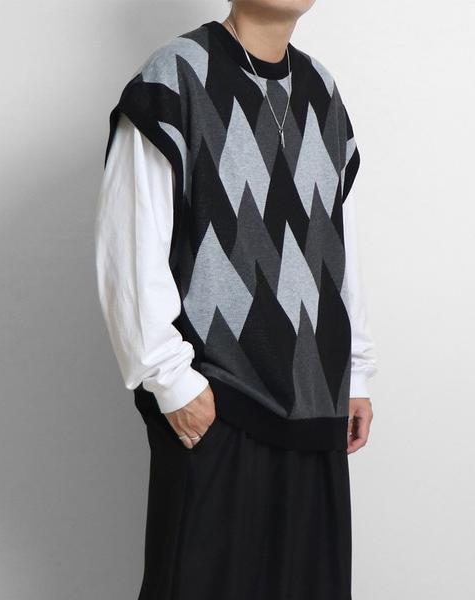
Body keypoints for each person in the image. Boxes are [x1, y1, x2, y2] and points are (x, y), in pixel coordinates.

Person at [95, 2, 377, 598]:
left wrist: (355, 373)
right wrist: (172, 381)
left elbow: (336, 241)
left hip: (316, 407)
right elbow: (129, 241)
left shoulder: (322, 89)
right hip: (222, 404)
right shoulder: (175, 77)